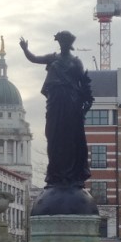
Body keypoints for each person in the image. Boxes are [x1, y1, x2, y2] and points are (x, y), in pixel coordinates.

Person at [20, 31, 93, 188]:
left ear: (69, 44)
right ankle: (55, 173)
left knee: (71, 138)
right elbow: (35, 58)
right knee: (53, 136)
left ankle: (71, 175)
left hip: (71, 103)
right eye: (60, 42)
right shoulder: (53, 58)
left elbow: (84, 84)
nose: (62, 44)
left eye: (65, 42)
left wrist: (86, 104)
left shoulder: (76, 62)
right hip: (55, 103)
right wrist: (25, 49)